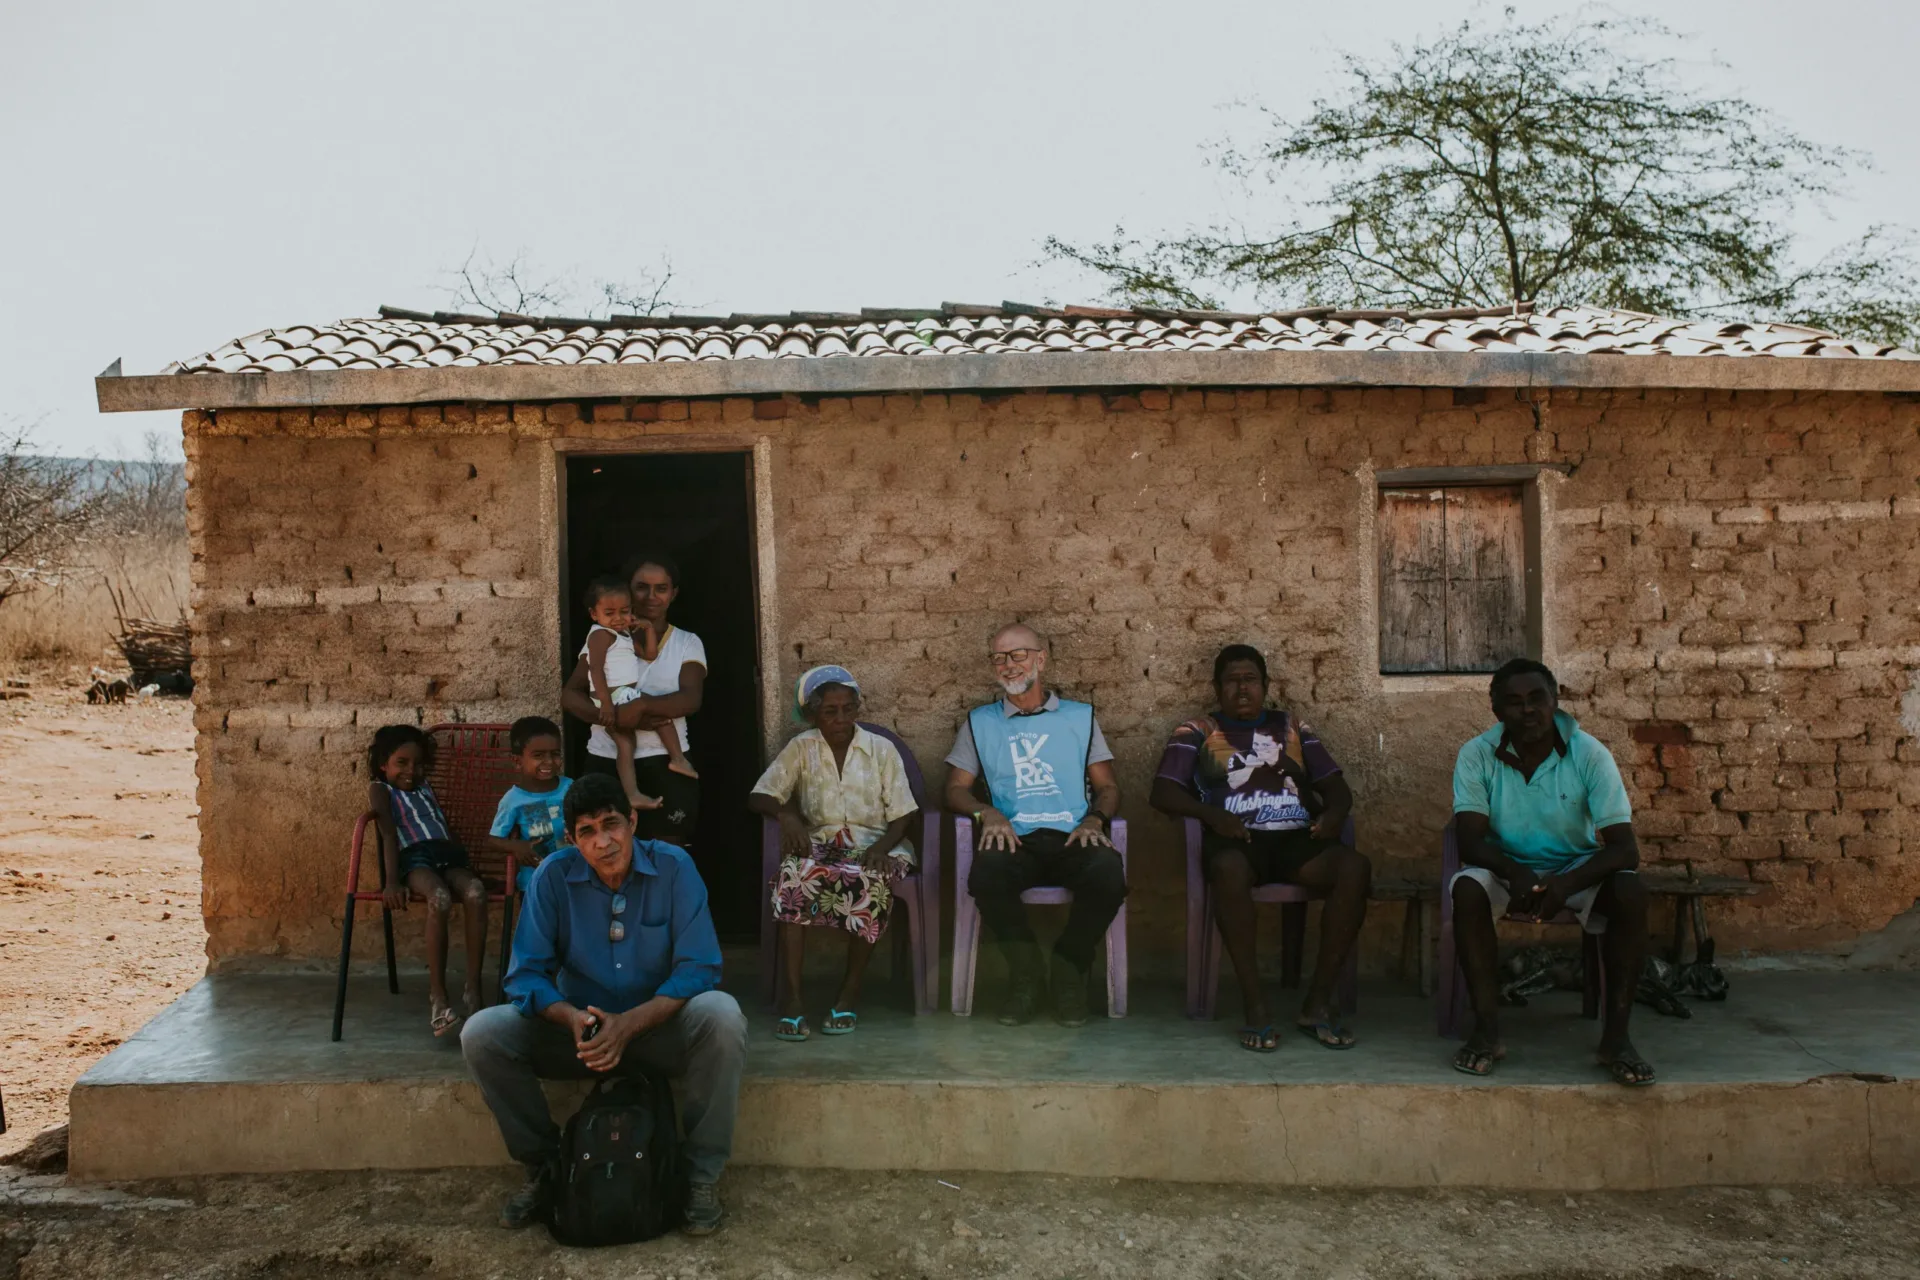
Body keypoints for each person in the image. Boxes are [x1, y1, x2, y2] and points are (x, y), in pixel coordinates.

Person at [462, 772, 746, 1235]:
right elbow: (525, 975)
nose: (603, 842)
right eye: (587, 832)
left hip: (657, 1029)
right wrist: (570, 1017)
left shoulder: (674, 868)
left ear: (632, 821)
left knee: (722, 1015)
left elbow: (700, 967)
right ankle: (546, 1167)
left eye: (611, 824)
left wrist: (630, 1024)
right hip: (583, 1038)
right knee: (483, 1033)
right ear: (571, 838)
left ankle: (699, 1177)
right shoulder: (554, 877)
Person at [1150, 644, 1372, 1052]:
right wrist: (1211, 815)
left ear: (1265, 685)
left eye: (1250, 679)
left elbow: (1336, 789)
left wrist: (1334, 815)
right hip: (1236, 839)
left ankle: (1317, 1004)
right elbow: (1163, 793)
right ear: (1217, 688)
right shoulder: (1196, 730)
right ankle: (1255, 1007)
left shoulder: (1292, 727)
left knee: (1354, 868)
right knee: (1230, 871)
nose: (1242, 689)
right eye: (1232, 681)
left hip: (1296, 840)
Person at [1449, 657, 1654, 1086]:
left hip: (1574, 869)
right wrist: (1516, 872)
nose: (1528, 711)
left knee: (1631, 891)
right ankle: (1486, 1032)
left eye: (1537, 698)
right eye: (1514, 702)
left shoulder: (1589, 754)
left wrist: (1567, 882)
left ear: (1555, 700)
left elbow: (1624, 848)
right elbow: (1470, 842)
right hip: (1505, 868)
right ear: (1496, 711)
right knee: (1467, 891)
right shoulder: (1477, 755)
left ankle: (1616, 1039)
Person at [944, 623, 1123, 1027]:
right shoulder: (980, 722)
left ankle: (1068, 971)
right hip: (1014, 841)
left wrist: (1096, 819)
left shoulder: (1080, 717)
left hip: (1072, 835)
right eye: (999, 658)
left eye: (1018, 655)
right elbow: (954, 790)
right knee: (987, 875)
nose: (1008, 665)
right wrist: (986, 813)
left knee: (1108, 873)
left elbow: (1108, 787)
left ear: (1041, 659)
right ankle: (1025, 974)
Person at [748, 666, 918, 1041]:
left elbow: (905, 813)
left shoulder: (880, 749)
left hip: (877, 844)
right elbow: (760, 794)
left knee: (871, 882)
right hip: (821, 845)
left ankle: (849, 993)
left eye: (848, 709)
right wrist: (786, 814)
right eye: (830, 711)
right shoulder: (802, 748)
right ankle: (793, 1000)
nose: (841, 719)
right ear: (812, 715)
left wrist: (879, 848)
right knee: (793, 879)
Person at [561, 553, 706, 848]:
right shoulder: (604, 637)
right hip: (606, 757)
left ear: (673, 594)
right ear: (627, 589)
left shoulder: (687, 642)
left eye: (661, 588)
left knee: (667, 852)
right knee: (605, 851)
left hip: (665, 762)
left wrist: (640, 708)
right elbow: (571, 694)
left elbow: (690, 699)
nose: (651, 596)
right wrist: (610, 714)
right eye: (641, 587)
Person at [366, 723, 488, 1035]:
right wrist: (392, 881)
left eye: (418, 764)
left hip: (447, 853)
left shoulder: (425, 786)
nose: (411, 770)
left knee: (475, 891)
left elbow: (440, 823)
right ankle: (438, 998)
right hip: (415, 858)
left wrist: (468, 863)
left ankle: (473, 990)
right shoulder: (381, 789)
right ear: (383, 765)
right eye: (401, 763)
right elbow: (389, 834)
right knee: (440, 898)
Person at [580, 574, 695, 813]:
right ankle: (678, 759)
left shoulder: (622, 635)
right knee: (660, 718)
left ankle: (631, 794)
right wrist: (605, 705)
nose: (618, 618)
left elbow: (649, 655)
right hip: (613, 695)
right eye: (609, 613)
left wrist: (648, 629)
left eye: (624, 611)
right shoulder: (600, 635)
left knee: (625, 744)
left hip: (622, 694)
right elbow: (595, 670)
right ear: (594, 614)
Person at [486, 716, 573, 896]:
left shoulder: (570, 788)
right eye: (538, 755)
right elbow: (494, 839)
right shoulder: (513, 800)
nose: (549, 762)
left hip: (574, 876)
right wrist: (518, 846)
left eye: (555, 754)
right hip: (535, 882)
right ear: (517, 761)